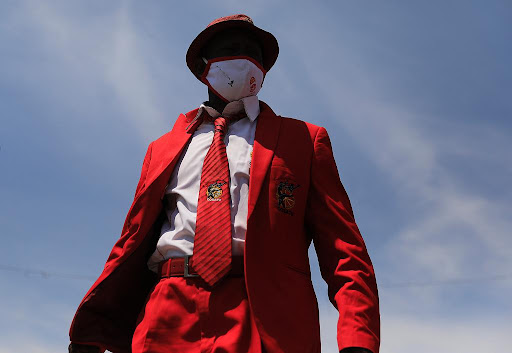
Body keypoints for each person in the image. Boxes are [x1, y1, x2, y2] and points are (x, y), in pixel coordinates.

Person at [69, 14, 380, 353]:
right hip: (167, 311)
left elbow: (344, 249)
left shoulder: (304, 140)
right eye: (233, 50)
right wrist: (94, 330)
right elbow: (131, 239)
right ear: (204, 67)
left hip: (266, 319)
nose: (247, 60)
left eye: (255, 56)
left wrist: (358, 340)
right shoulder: (162, 148)